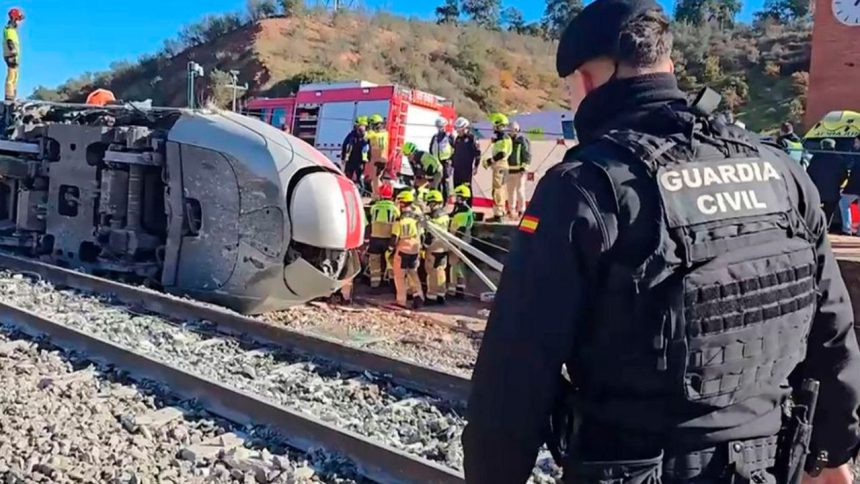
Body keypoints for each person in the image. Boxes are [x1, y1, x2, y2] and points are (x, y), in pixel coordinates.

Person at [463, 1, 860, 483]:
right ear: (667, 66)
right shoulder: (783, 173)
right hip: (771, 467)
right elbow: (833, 332)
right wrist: (832, 453)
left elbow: (516, 373)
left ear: (588, 81)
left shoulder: (584, 187)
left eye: (569, 89)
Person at [390, 190, 424, 309]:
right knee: (413, 274)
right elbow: (422, 235)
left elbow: (394, 238)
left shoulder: (399, 220)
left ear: (403, 203)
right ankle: (418, 296)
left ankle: (401, 301)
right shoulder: (417, 219)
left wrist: (390, 250)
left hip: (402, 250)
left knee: (399, 276)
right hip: (415, 249)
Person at [807, 138, 848, 231]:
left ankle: (815, 227)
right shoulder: (840, 159)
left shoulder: (816, 157)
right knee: (829, 212)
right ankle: (825, 228)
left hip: (817, 190)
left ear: (822, 146)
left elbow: (809, 172)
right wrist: (838, 184)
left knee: (815, 209)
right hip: (833, 191)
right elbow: (844, 175)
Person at [367, 182, 399, 289]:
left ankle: (375, 284)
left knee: (374, 261)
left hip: (375, 238)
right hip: (388, 239)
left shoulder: (374, 208)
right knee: (390, 261)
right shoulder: (394, 209)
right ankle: (392, 284)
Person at [482, 113, 512, 222]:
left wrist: (490, 161)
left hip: (500, 166)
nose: (493, 127)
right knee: (500, 189)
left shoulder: (503, 138)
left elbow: (502, 154)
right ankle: (500, 212)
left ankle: (498, 214)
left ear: (499, 125)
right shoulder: (502, 138)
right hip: (502, 166)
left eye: (495, 125)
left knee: (498, 190)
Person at [422, 189, 450, 305]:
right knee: (440, 271)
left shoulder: (432, 219)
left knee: (432, 272)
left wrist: (425, 246)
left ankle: (431, 297)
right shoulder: (445, 216)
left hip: (433, 248)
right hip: (443, 247)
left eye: (430, 203)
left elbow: (430, 235)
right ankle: (441, 295)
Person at [447, 184, 474, 298]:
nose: (455, 199)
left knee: (454, 265)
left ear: (461, 198)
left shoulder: (464, 212)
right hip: (461, 240)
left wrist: (455, 243)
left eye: (457, 196)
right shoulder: (461, 209)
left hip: (459, 240)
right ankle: (459, 288)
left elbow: (461, 229)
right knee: (458, 265)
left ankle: (454, 290)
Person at [451, 117, 481, 207]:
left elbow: (478, 153)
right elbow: (455, 152)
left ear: (465, 128)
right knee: (457, 188)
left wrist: (476, 166)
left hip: (466, 168)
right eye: (457, 129)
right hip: (457, 168)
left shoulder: (472, 138)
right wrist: (452, 163)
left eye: (459, 129)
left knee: (466, 188)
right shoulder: (457, 139)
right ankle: (458, 206)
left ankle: (468, 207)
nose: (457, 132)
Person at [506, 121, 532, 219]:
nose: (512, 132)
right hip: (509, 170)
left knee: (520, 191)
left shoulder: (522, 140)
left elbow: (527, 155)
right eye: (510, 130)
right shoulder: (507, 140)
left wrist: (524, 167)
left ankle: (521, 210)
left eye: (514, 130)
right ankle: (511, 210)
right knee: (510, 192)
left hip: (520, 171)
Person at [430, 117, 455, 203]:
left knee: (445, 182)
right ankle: (437, 200)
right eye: (438, 126)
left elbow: (455, 149)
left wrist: (451, 159)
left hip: (446, 162)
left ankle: (445, 201)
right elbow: (431, 149)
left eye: (441, 126)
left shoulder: (449, 136)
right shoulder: (435, 137)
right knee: (437, 182)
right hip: (437, 163)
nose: (440, 128)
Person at [839, 135, 860, 235]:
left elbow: (853, 170)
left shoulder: (856, 155)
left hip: (855, 186)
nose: (854, 144)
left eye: (856, 142)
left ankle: (847, 229)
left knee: (843, 201)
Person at [342, 116, 369, 192]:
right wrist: (343, 157)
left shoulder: (367, 136)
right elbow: (345, 144)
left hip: (361, 160)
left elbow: (369, 149)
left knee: (359, 178)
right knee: (347, 176)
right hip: (351, 159)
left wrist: (368, 159)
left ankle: (360, 193)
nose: (361, 129)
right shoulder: (352, 135)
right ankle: (346, 190)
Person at [365, 113, 389, 199]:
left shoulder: (374, 134)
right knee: (376, 179)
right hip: (383, 159)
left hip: (376, 160)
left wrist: (367, 128)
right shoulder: (385, 133)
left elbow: (365, 136)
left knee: (375, 180)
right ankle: (381, 194)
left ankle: (378, 196)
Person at [3, 8, 23, 102]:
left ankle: (12, 96)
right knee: (11, 76)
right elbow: (9, 41)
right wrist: (13, 52)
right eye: (19, 19)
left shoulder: (13, 30)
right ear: (14, 19)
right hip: (11, 55)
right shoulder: (9, 29)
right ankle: (9, 97)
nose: (20, 22)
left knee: (15, 76)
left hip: (14, 56)